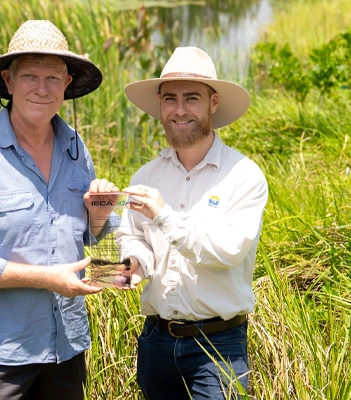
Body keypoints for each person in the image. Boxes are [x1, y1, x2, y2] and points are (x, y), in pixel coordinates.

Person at [0, 20, 119, 399]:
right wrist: (47, 279)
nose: (41, 88)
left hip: (67, 345)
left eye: (52, 78)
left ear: (66, 84)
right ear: (8, 80)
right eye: (30, 76)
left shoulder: (75, 148)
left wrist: (100, 214)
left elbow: (87, 237)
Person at [116, 47, 269, 399]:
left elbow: (227, 250)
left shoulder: (243, 176)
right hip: (155, 341)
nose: (180, 109)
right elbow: (132, 235)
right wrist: (135, 263)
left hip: (218, 346)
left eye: (192, 98)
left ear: (213, 103)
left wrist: (164, 215)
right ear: (159, 104)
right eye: (170, 99)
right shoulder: (146, 175)